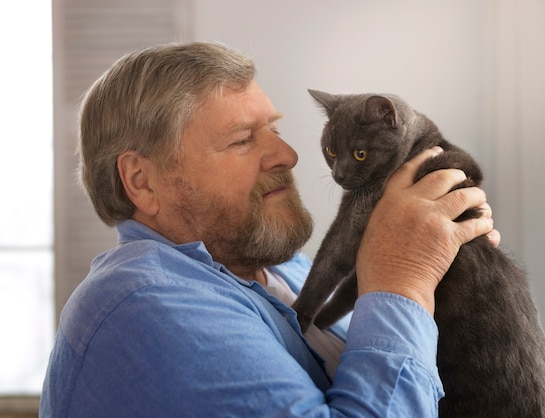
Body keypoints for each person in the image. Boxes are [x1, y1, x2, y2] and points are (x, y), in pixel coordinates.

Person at [40, 41, 498, 417]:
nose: (288, 156)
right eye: (242, 140)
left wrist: (443, 271)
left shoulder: (285, 274)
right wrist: (404, 280)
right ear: (143, 182)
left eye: (273, 130)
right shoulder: (145, 306)